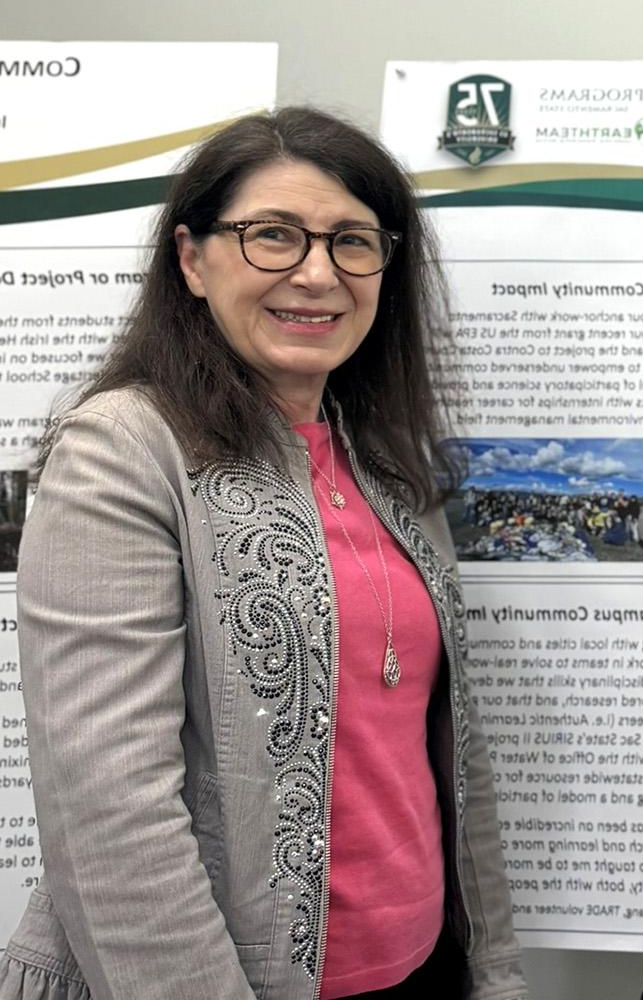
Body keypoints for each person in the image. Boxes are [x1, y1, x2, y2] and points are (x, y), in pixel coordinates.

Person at [3, 109, 526, 1000]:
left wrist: (493, 970)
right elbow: (109, 813)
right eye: (271, 236)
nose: (317, 273)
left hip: (421, 968)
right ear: (192, 260)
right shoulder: (125, 450)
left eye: (352, 242)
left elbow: (446, 753)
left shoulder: (386, 462)